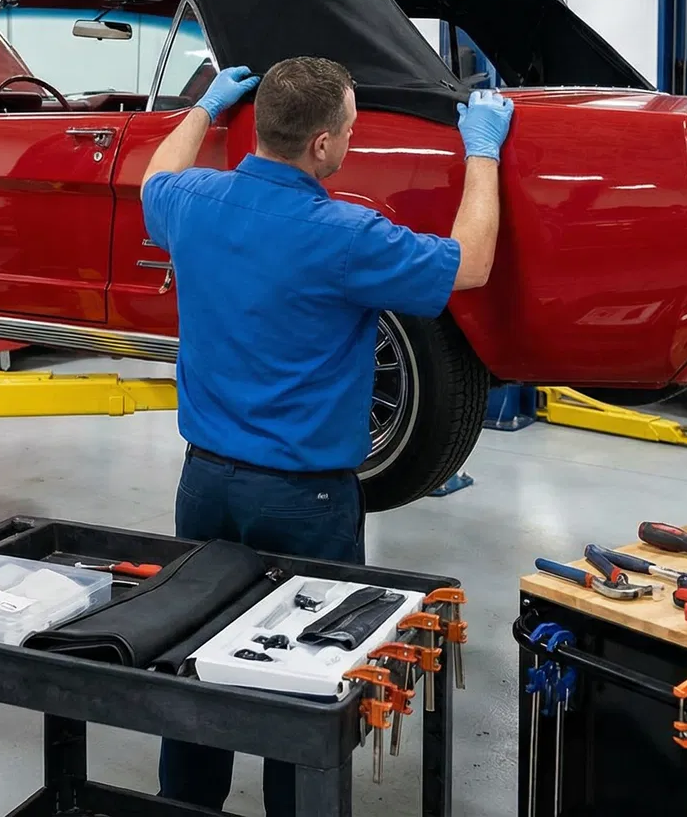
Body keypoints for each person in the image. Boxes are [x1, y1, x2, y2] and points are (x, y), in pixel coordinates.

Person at [140, 56, 512, 814]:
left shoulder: (195, 202)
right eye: (347, 127)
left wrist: (205, 108)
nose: (351, 137)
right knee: (305, 686)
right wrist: (483, 149)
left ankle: (187, 805)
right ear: (321, 145)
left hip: (204, 485)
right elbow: (470, 266)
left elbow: (153, 178)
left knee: (194, 659)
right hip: (305, 500)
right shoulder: (345, 235)